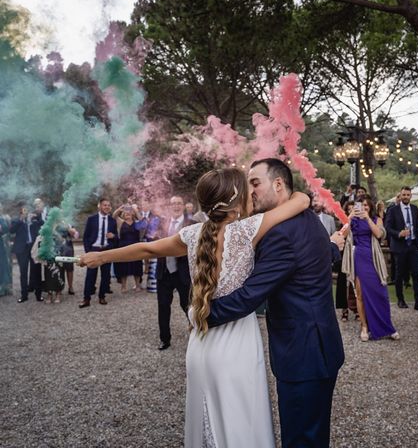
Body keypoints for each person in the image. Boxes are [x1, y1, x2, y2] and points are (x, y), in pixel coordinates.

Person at [80, 167, 315, 447]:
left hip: (200, 344)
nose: (252, 193)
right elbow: (301, 200)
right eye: (247, 188)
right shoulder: (248, 229)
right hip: (236, 345)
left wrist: (102, 256)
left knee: (207, 424)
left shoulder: (192, 235)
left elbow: (148, 249)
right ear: (235, 198)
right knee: (241, 423)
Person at [207, 158, 345, 448]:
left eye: (255, 183)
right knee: (313, 434)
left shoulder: (282, 233)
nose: (250, 191)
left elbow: (249, 296)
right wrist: (333, 247)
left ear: (279, 184)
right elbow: (316, 259)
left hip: (303, 355)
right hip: (321, 348)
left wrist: (204, 314)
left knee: (301, 439)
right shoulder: (308, 219)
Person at [342, 195, 399, 342]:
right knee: (360, 294)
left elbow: (379, 234)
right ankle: (364, 326)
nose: (364, 208)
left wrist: (367, 218)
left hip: (373, 258)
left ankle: (387, 327)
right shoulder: (352, 220)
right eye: (361, 205)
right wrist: (349, 217)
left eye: (366, 205)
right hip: (359, 257)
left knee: (381, 293)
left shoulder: (376, 219)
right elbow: (343, 235)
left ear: (370, 207)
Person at [155, 196, 193, 351]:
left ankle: (197, 334)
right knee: (163, 306)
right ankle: (165, 339)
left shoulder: (192, 224)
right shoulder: (161, 224)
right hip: (164, 272)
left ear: (183, 206)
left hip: (182, 272)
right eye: (173, 204)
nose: (176, 206)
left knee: (188, 305)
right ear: (169, 207)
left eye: (179, 203)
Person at [384, 186, 418, 311]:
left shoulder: (414, 209)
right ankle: (400, 300)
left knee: (416, 273)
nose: (406, 197)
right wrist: (399, 233)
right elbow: (388, 228)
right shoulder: (393, 210)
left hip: (413, 245)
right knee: (399, 274)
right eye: (403, 195)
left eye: (408, 195)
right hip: (400, 246)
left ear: (411, 196)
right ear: (400, 195)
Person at [79, 198, 118, 308]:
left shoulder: (112, 221)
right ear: (99, 206)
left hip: (106, 250)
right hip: (94, 249)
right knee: (90, 275)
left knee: (105, 275)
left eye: (109, 205)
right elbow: (86, 236)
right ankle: (86, 299)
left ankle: (102, 296)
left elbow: (117, 237)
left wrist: (113, 236)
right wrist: (88, 251)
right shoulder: (91, 219)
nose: (107, 207)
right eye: (104, 205)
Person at [335, 201, 358, 321]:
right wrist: (349, 218)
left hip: (357, 254)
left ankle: (357, 308)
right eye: (349, 209)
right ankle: (344, 310)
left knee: (357, 282)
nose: (352, 211)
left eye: (353, 209)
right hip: (344, 256)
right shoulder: (344, 223)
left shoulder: (361, 222)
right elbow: (342, 234)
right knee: (343, 282)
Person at [112, 205, 143, 293]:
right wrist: (119, 208)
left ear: (132, 214)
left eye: (129, 212)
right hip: (123, 247)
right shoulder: (121, 222)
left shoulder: (136, 223)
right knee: (123, 267)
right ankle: (123, 286)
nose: (127, 213)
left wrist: (135, 209)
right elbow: (114, 216)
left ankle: (137, 285)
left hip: (136, 247)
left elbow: (142, 221)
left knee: (136, 266)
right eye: (125, 212)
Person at [134, 199, 162, 293]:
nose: (145, 206)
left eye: (147, 204)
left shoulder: (155, 216)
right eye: (143, 204)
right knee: (137, 263)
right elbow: (138, 227)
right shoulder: (136, 215)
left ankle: (151, 284)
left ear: (150, 206)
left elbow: (153, 227)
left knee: (152, 262)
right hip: (138, 241)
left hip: (151, 241)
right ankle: (138, 283)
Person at [11, 205, 33, 302]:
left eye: (27, 210)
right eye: (24, 210)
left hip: (32, 248)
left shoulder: (31, 220)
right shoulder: (16, 220)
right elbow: (11, 230)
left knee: (35, 270)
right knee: (23, 272)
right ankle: (24, 295)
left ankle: (35, 291)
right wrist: (21, 220)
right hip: (22, 250)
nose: (26, 212)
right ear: (20, 212)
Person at [0, 203, 12, 296]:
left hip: (3, 246)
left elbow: (7, 229)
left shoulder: (3, 218)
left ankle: (5, 288)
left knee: (5, 266)